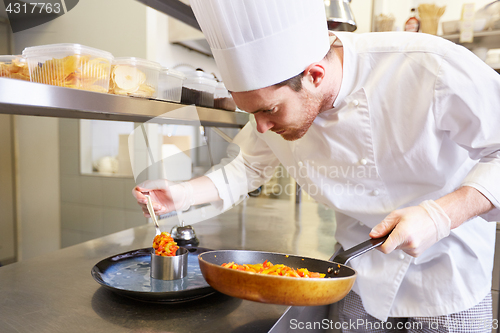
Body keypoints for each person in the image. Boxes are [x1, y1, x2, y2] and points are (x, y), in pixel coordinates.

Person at [133, 0, 500, 331]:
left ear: (315, 75)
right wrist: (180, 194)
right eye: (251, 111)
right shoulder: (273, 102)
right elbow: (246, 168)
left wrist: (439, 215)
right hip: (359, 274)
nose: (260, 126)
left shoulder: (429, 66)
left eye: (268, 110)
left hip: (449, 277)